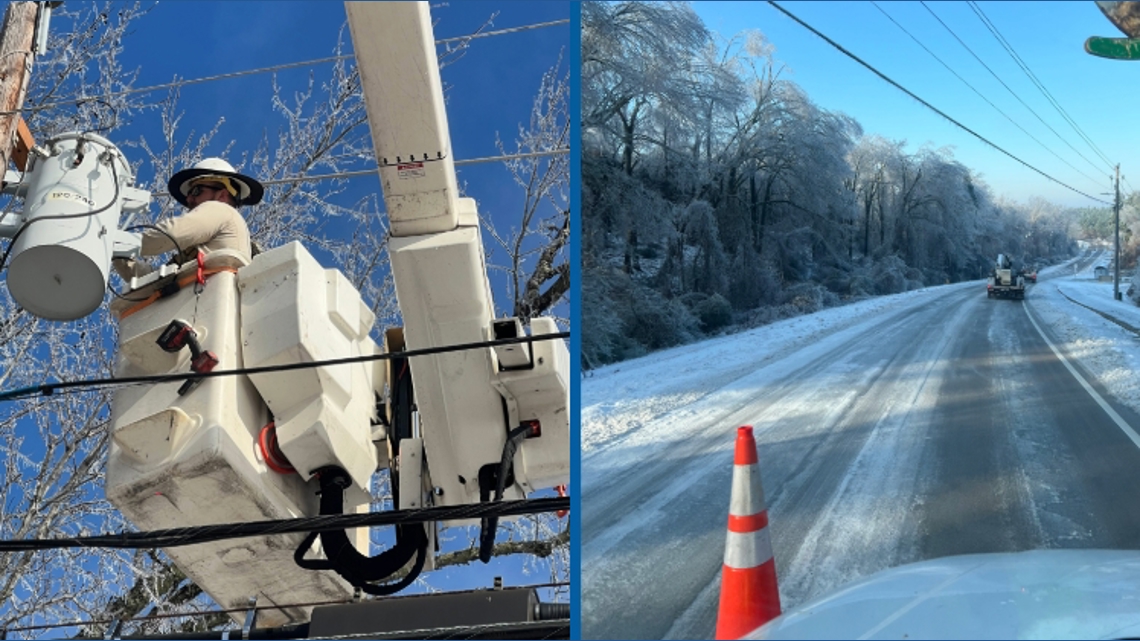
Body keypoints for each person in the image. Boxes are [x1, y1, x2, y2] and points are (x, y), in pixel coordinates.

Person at [113, 158, 264, 279]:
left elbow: (170, 233)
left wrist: (120, 242)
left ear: (222, 195)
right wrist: (118, 255)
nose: (189, 199)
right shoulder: (202, 249)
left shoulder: (222, 210)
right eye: (189, 193)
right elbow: (152, 279)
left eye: (197, 191)